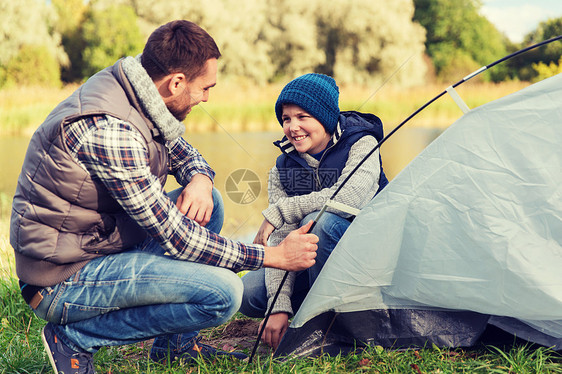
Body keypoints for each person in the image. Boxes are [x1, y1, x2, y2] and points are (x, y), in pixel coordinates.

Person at [10, 20, 318, 373]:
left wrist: (201, 179)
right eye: (205, 88)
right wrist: (273, 256)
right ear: (176, 83)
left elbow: (183, 153)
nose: (206, 98)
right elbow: (178, 239)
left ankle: (175, 347)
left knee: (210, 202)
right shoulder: (111, 131)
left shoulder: (137, 91)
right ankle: (74, 339)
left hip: (95, 245)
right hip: (61, 281)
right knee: (224, 294)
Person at [239, 73, 389, 349]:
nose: (293, 127)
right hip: (312, 262)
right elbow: (280, 235)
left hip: (368, 259)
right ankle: (305, 306)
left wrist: (284, 209)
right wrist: (277, 306)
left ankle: (333, 321)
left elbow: (350, 197)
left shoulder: (362, 142)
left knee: (318, 222)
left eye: (302, 116)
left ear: (325, 117)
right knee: (247, 293)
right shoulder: (283, 166)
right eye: (286, 119)